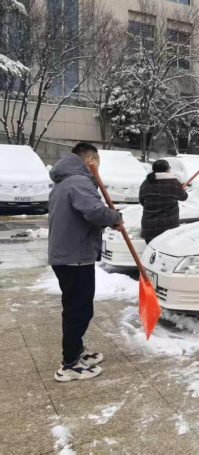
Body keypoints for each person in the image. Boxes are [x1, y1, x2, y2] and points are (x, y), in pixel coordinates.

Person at [48, 142, 123, 382]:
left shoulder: (64, 181)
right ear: (91, 160)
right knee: (79, 310)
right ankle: (70, 364)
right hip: (74, 256)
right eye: (97, 162)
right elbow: (95, 212)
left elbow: (83, 215)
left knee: (75, 307)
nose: (98, 167)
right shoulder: (79, 181)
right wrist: (115, 217)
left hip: (67, 253)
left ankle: (76, 351)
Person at [139, 159, 189, 244]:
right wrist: (181, 189)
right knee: (166, 250)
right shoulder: (173, 182)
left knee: (151, 250)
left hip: (149, 227)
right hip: (168, 226)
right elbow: (184, 197)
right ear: (167, 169)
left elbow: (142, 201)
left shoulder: (147, 182)